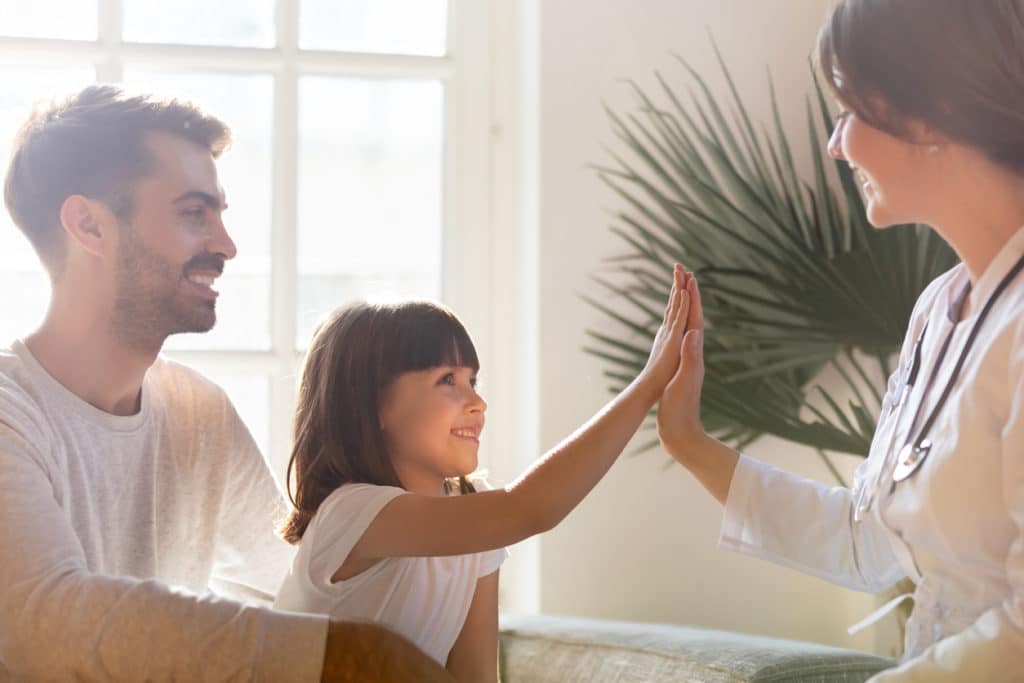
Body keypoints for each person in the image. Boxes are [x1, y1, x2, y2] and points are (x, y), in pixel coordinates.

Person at [0, 84, 451, 682]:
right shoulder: (13, 414)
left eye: (219, 213)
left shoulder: (198, 412)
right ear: (89, 225)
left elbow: (286, 595)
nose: (226, 245)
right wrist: (353, 656)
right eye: (193, 213)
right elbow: (45, 623)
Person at [655, 0, 1024, 679]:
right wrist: (688, 441)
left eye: (849, 111)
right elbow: (871, 539)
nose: (835, 143)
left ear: (928, 113)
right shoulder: (936, 311)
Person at [274, 265, 696, 682]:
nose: (477, 402)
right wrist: (649, 385)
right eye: (447, 380)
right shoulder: (353, 512)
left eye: (473, 380)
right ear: (374, 405)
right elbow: (530, 509)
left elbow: (475, 675)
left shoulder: (472, 512)